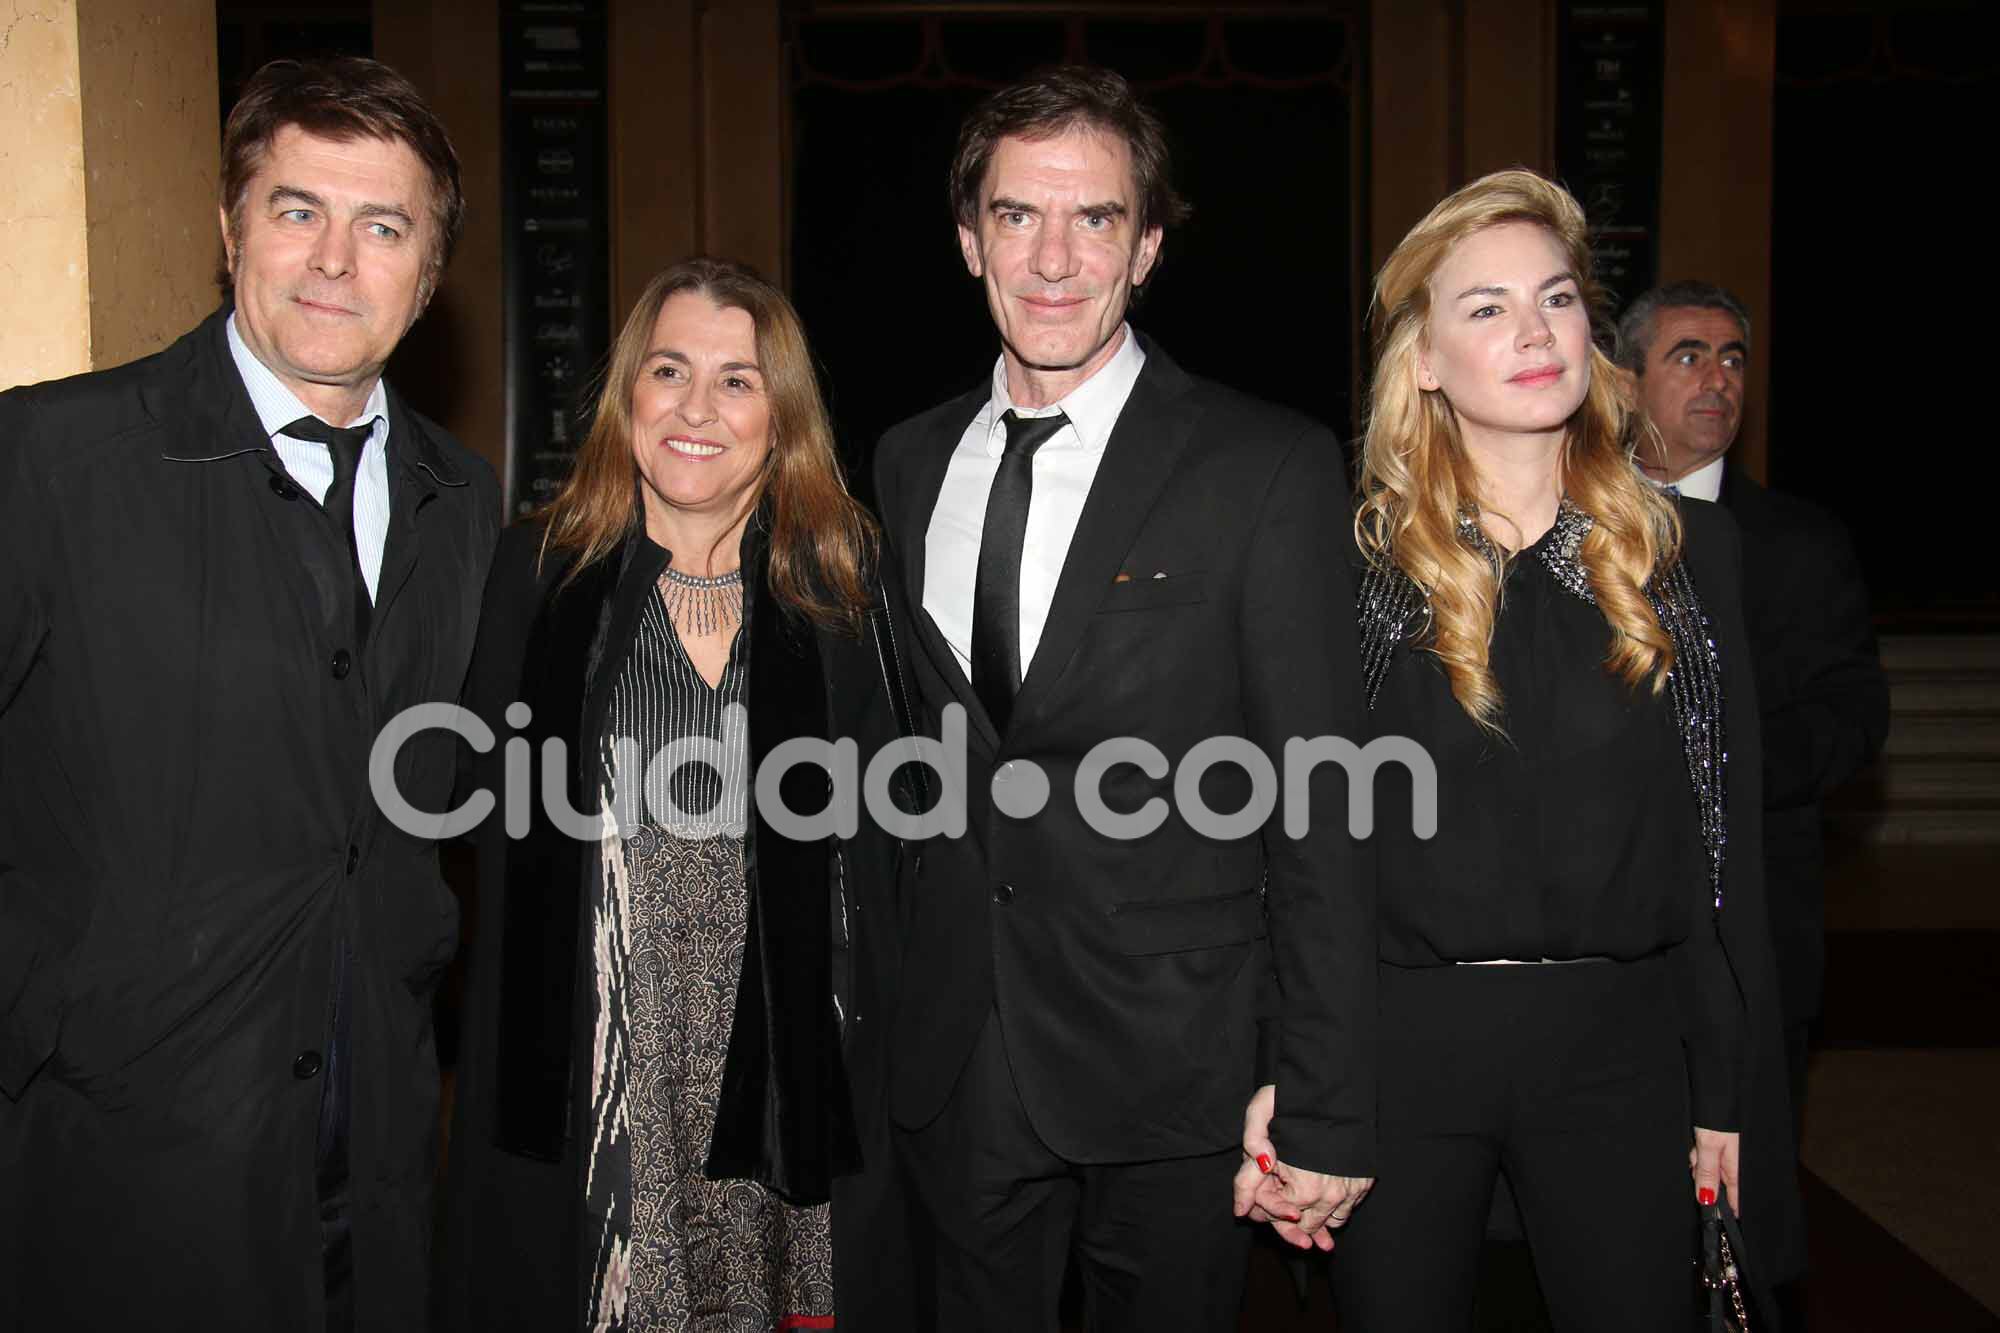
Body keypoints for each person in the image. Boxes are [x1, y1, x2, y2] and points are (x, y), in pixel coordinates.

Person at [0, 57, 497, 1331]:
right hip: (119, 1171)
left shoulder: (463, 502)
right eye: (296, 211)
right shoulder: (54, 461)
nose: (334, 260)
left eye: (382, 226)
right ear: (231, 233)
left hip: (378, 1165)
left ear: (429, 273)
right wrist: (50, 1016)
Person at [871, 65, 1371, 1331]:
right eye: (1014, 215)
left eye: (1093, 218)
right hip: (954, 1051)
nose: (1051, 257)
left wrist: (1318, 1089)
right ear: (966, 237)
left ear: (1146, 248)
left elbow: (1318, 802)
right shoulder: (909, 459)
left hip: (1175, 1061)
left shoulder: (1264, 465)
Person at [1324, 170, 1805, 1330]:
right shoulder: (1350, 571)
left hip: (1620, 1050)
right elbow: (1305, 855)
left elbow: (1716, 842)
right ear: (1424, 357)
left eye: (1553, 297)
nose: (1533, 331)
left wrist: (1724, 1084)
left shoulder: (1683, 555)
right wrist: (1295, 1082)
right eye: (1484, 307)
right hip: (1402, 1051)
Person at [438, 258, 921, 1332]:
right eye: (669, 370)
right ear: (628, 396)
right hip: (603, 1071)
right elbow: (463, 809)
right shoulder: (532, 577)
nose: (697, 408)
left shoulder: (844, 587)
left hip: (793, 1062)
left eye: (738, 381)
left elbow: (901, 848)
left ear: (782, 416)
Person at [1617, 280, 1890, 1128]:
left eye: (1733, 359)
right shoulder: (1562, 531)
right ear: (1625, 383)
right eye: (1688, 356)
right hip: (1601, 952)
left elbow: (1850, 716)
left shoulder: (1801, 544)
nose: (1719, 380)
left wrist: (1709, 769)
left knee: (1748, 1216)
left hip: (1754, 935)